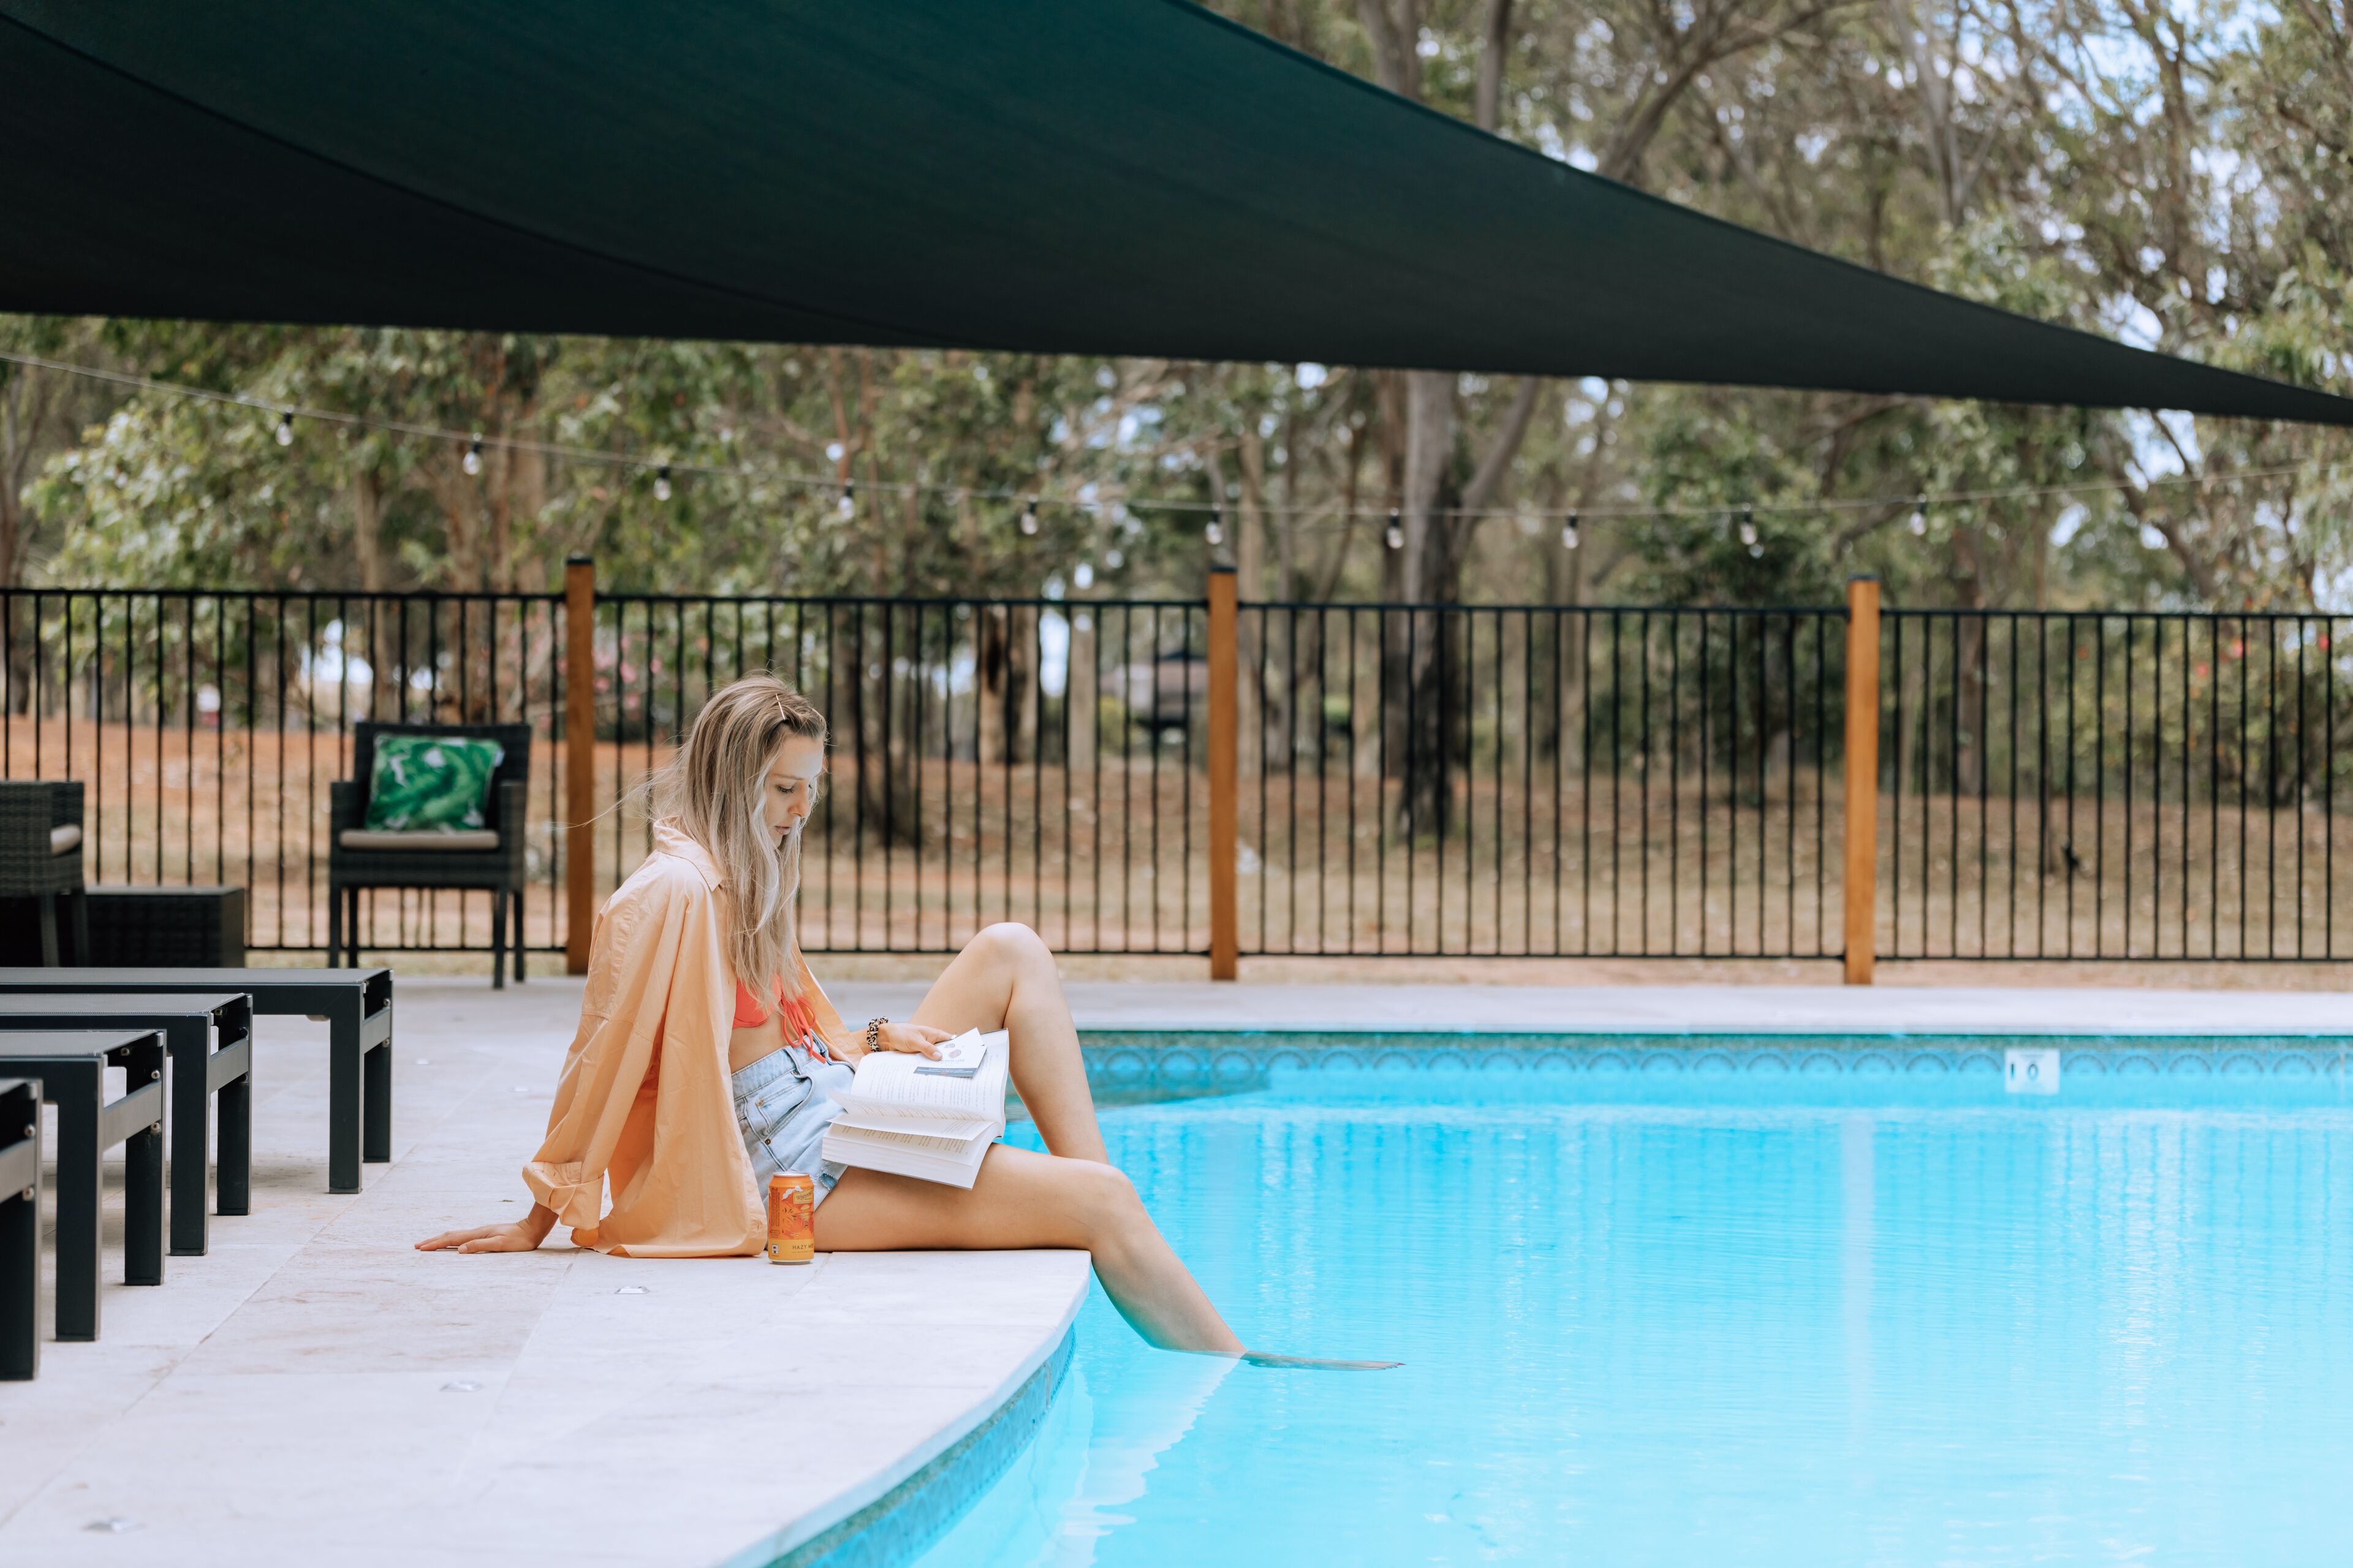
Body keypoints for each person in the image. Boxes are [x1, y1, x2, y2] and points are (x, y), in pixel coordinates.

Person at [416, 673, 1245, 1356]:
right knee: (1104, 1204)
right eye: (783, 789)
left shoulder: (748, 873)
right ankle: (1227, 1363)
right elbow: (603, 1053)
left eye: (809, 789)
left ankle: (1084, 1197)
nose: (799, 810)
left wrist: (876, 1041)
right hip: (794, 1172)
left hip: (828, 1099)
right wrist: (540, 1215)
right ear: (729, 780)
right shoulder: (672, 892)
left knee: (1013, 948)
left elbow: (782, 1031)